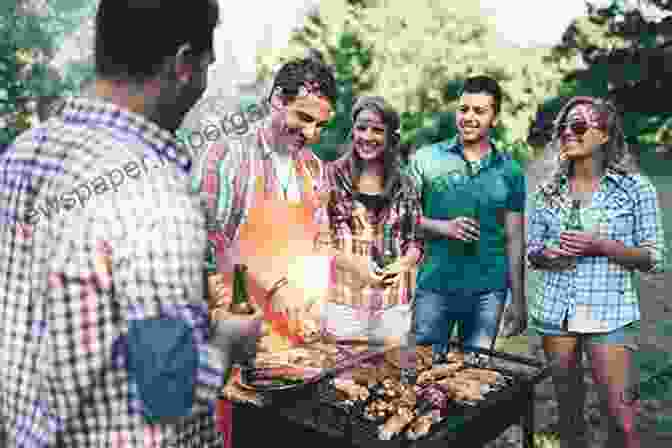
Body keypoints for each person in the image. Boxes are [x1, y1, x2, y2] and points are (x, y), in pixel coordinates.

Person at [0, 1, 265, 446]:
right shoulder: (153, 191)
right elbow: (167, 393)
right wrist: (226, 339)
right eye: (206, 66)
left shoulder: (19, 157)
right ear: (183, 64)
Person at [192, 57, 337, 445]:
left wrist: (318, 300)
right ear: (276, 99)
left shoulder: (316, 170)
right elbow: (209, 247)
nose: (311, 132)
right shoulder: (227, 156)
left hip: (297, 351)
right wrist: (271, 288)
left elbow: (321, 243)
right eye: (303, 117)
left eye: (321, 125)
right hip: (241, 353)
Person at [527, 96, 666, 448]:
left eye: (578, 126)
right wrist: (547, 255)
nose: (568, 134)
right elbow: (533, 251)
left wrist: (600, 246)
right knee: (570, 418)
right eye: (564, 128)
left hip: (609, 316)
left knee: (620, 419)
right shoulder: (547, 191)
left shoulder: (636, 190)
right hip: (554, 315)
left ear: (604, 135)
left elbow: (654, 257)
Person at [407, 75, 528, 364]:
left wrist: (519, 300)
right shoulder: (425, 159)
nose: (469, 117)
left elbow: (514, 239)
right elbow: (401, 218)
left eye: (479, 111)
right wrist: (442, 227)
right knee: (422, 370)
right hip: (435, 286)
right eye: (464, 109)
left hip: (488, 293)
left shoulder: (510, 172)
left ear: (494, 117)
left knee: (474, 376)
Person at [317, 96, 424, 360]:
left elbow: (416, 242)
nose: (368, 136)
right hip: (343, 303)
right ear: (352, 130)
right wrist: (357, 266)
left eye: (377, 130)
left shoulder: (405, 183)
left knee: (388, 381)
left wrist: (400, 265)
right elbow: (318, 241)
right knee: (343, 382)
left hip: (392, 306)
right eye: (362, 127)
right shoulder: (329, 176)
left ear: (390, 136)